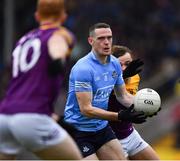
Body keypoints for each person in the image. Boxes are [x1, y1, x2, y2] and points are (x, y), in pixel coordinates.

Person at [0, 0, 82, 160]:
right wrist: (58, 59)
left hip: (4, 117)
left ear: (37, 16)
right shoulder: (60, 33)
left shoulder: (23, 40)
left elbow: (26, 86)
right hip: (33, 118)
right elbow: (56, 48)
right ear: (63, 16)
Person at [64, 22, 147, 160]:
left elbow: (123, 96)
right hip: (79, 130)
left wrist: (143, 106)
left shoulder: (114, 63)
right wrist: (119, 116)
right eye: (101, 38)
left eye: (109, 38)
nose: (107, 42)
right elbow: (86, 110)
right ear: (91, 41)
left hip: (101, 128)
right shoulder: (83, 69)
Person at [108, 45, 160, 160]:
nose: (124, 68)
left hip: (130, 135)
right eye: (119, 65)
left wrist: (147, 106)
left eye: (127, 63)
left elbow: (128, 99)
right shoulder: (103, 80)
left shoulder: (135, 77)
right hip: (111, 141)